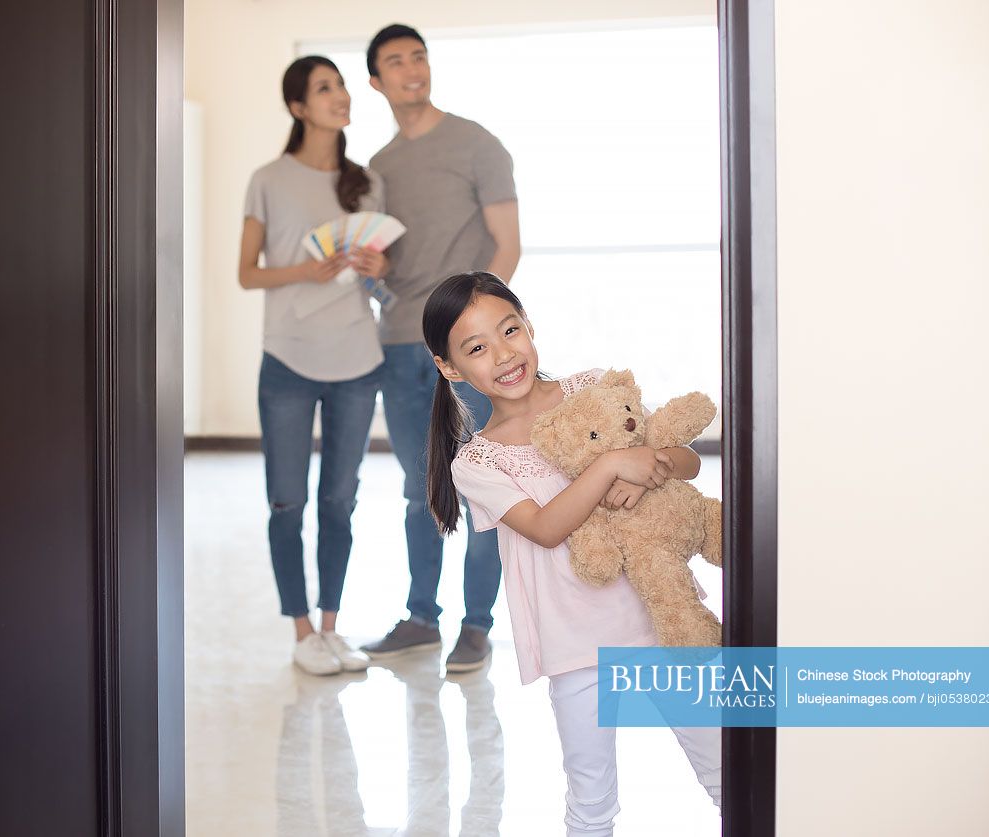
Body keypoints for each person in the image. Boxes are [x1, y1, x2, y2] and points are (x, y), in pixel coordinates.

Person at [423, 271, 722, 835]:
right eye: (477, 348)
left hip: (661, 622)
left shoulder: (593, 391)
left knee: (729, 772)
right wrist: (611, 466)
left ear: (529, 326)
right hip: (576, 649)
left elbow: (686, 461)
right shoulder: (479, 461)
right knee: (591, 800)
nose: (504, 354)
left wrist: (649, 470)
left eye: (510, 330)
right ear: (450, 367)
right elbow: (544, 527)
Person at [360, 23, 522, 674]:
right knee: (418, 489)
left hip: (469, 352)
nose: (411, 68)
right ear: (376, 82)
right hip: (400, 344)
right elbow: (384, 263)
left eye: (418, 56)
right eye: (395, 62)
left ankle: (476, 625)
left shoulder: (476, 143)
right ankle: (421, 617)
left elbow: (506, 246)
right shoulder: (377, 168)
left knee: (485, 489)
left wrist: (479, 336)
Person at [238, 56, 389, 676]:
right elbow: (246, 273)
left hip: (358, 358)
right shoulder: (268, 179)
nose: (341, 95)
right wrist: (305, 269)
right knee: (286, 501)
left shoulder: (367, 182)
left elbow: (380, 283)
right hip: (288, 362)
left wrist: (381, 273)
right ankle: (300, 632)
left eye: (342, 84)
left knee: (340, 501)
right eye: (325, 88)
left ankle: (331, 626)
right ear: (298, 107)